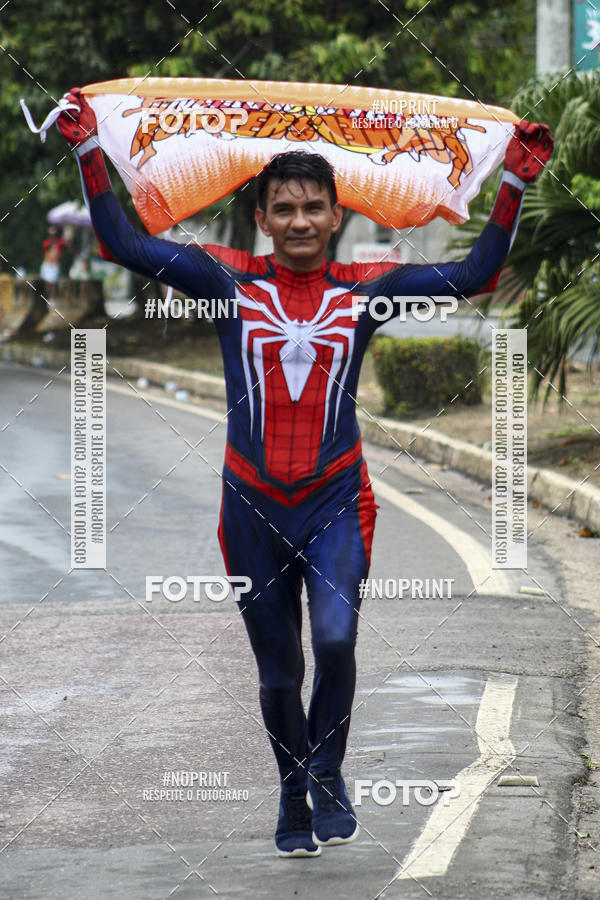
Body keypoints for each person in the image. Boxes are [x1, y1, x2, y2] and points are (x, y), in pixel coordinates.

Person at [56, 88, 552, 858]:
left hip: (335, 500)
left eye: (313, 208)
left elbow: (477, 274)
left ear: (336, 216)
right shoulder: (227, 282)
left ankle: (328, 771)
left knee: (337, 635)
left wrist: (515, 179)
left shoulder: (367, 293)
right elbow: (123, 243)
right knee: (281, 675)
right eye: (283, 208)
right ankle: (293, 790)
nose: (298, 222)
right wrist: (89, 147)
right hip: (249, 507)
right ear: (261, 217)